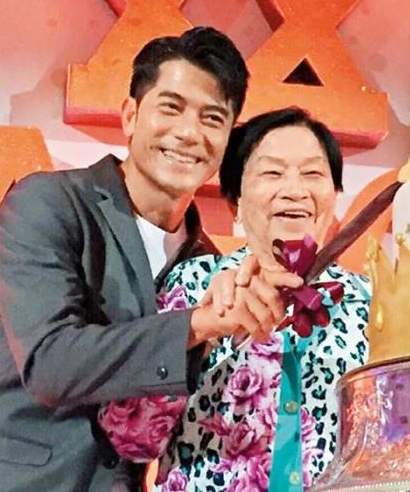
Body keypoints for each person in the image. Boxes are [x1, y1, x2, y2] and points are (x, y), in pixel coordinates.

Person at [0, 27, 301, 492]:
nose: (189, 133)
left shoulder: (206, 266)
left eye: (212, 118)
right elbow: (50, 362)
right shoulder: (49, 204)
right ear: (130, 115)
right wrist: (198, 325)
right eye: (171, 107)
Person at [98, 108, 372, 491]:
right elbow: (132, 436)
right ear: (235, 203)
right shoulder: (193, 284)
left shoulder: (368, 301)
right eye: (272, 173)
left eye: (313, 173)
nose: (295, 190)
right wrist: (204, 332)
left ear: (335, 195)